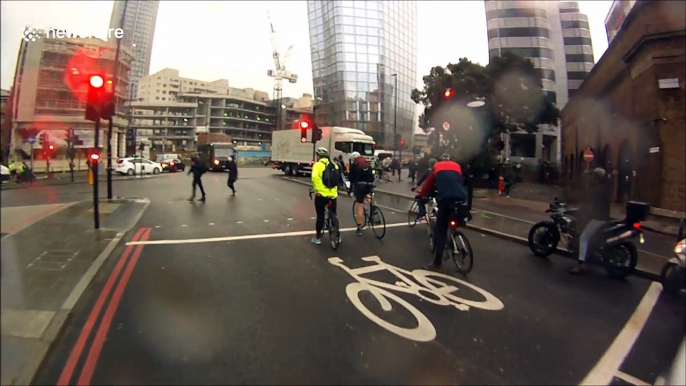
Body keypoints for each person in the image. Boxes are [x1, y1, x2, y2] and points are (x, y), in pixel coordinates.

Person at [416, 153, 468, 270]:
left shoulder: (437, 167)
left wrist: (422, 195)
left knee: (441, 232)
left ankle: (437, 263)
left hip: (445, 200)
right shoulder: (457, 166)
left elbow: (428, 183)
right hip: (460, 198)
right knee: (454, 218)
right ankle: (455, 234)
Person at [570, 167, 612, 274]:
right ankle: (590, 255)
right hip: (603, 217)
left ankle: (581, 265)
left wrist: (581, 209)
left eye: (593, 176)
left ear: (597, 178)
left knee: (583, 238)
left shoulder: (597, 190)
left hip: (598, 218)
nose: (591, 178)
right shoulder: (604, 188)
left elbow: (592, 205)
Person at [311, 147, 340, 245]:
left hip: (322, 194)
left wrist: (317, 190)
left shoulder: (318, 165)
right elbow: (337, 179)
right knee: (333, 214)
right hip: (332, 194)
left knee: (320, 215)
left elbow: (315, 178)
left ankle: (318, 237)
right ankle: (338, 236)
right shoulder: (335, 165)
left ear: (318, 156)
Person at [348, 151, 375, 236]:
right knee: (368, 195)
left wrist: (350, 190)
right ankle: (373, 208)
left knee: (360, 205)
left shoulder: (354, 165)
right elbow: (372, 176)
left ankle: (359, 228)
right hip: (369, 184)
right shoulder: (367, 164)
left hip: (360, 185)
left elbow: (351, 179)